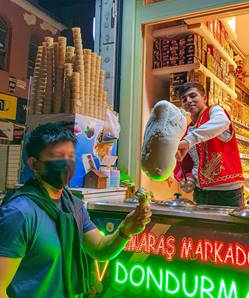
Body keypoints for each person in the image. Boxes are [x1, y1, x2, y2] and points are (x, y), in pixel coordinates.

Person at [0, 122, 151, 298]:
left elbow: (100, 250)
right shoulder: (19, 213)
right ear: (34, 164)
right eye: (58, 156)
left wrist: (125, 230)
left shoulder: (73, 205)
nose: (66, 163)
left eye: (70, 156)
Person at [174, 82, 244, 206]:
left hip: (227, 191)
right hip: (200, 191)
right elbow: (188, 162)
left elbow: (222, 121)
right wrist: (188, 178)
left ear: (204, 98)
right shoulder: (189, 129)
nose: (188, 101)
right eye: (184, 99)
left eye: (193, 96)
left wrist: (189, 140)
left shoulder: (214, 111)